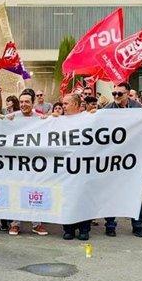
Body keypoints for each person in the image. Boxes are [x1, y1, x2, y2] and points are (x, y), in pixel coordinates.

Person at [103, 82, 142, 238]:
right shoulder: (107, 109)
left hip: (133, 157)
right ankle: (110, 224)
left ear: (128, 94)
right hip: (113, 157)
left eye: (119, 94)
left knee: (135, 191)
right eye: (114, 93)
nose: (116, 96)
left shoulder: (139, 109)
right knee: (111, 191)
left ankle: (137, 225)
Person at [6, 93, 49, 236]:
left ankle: (36, 224)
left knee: (35, 192)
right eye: (21, 102)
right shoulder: (12, 117)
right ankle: (15, 224)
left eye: (27, 102)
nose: (24, 104)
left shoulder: (40, 117)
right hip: (17, 163)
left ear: (33, 102)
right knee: (16, 191)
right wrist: (4, 121)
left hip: (35, 163)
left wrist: (48, 120)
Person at [59, 94, 92, 240]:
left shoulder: (89, 118)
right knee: (67, 197)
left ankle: (84, 228)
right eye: (63, 104)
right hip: (66, 167)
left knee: (83, 197)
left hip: (84, 166)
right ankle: (68, 228)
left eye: (66, 103)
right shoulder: (58, 121)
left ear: (76, 105)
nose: (63, 106)